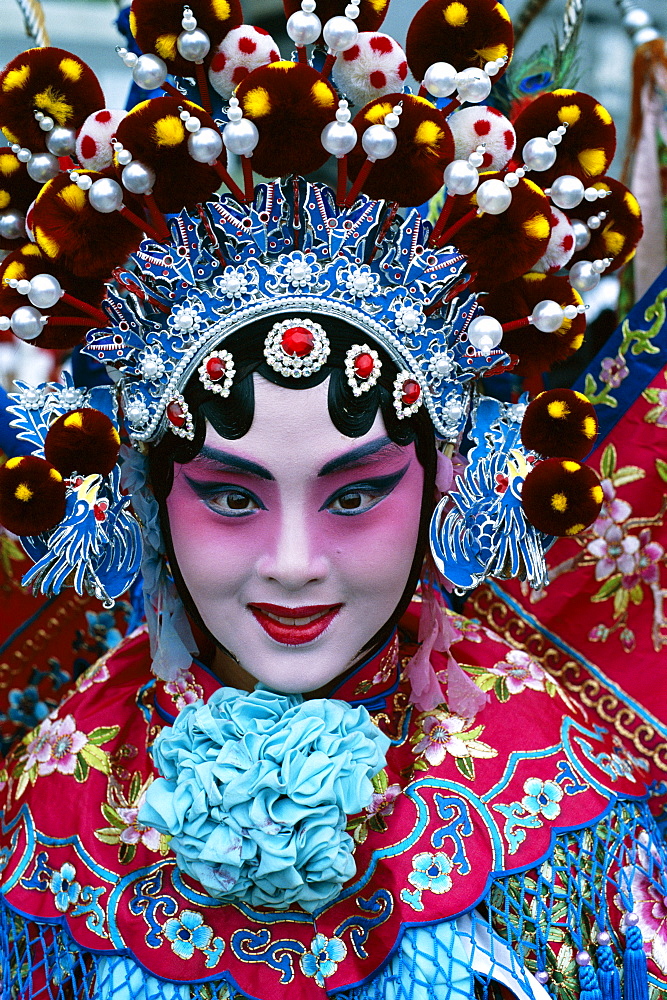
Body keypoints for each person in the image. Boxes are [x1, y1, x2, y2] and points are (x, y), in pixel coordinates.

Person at [0, 2, 665, 997]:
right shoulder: (51, 808)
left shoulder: (575, 816)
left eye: (354, 496)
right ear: (145, 496)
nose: (295, 561)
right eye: (231, 497)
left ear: (446, 477)